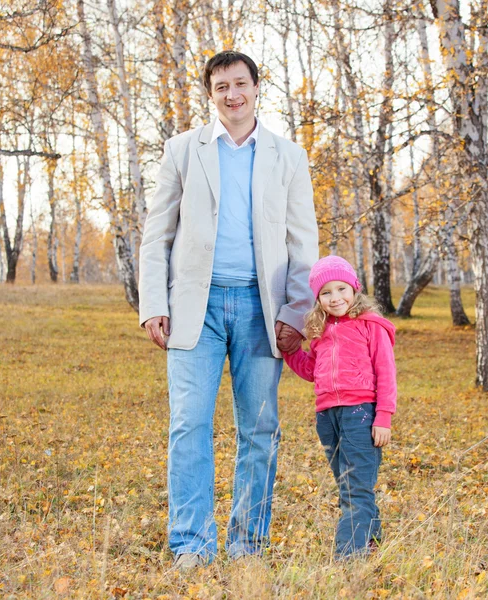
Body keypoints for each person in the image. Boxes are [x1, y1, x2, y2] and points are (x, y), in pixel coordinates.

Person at [139, 50, 318, 569]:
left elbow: (303, 242)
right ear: (210, 94)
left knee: (259, 429)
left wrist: (295, 312)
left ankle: (247, 544)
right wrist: (154, 302)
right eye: (221, 87)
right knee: (188, 425)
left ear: (257, 89)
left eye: (240, 84)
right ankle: (191, 544)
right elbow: (157, 237)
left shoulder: (288, 156)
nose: (232, 94)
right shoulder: (181, 150)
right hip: (196, 307)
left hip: (262, 311)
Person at [280, 255, 397, 558]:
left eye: (341, 288)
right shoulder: (320, 331)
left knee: (356, 486)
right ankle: (371, 541)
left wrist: (383, 417)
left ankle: (349, 555)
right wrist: (292, 352)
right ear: (317, 298)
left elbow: (386, 373)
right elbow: (312, 371)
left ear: (354, 288)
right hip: (327, 416)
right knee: (347, 483)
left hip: (361, 413)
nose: (335, 298)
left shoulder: (371, 326)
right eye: (326, 292)